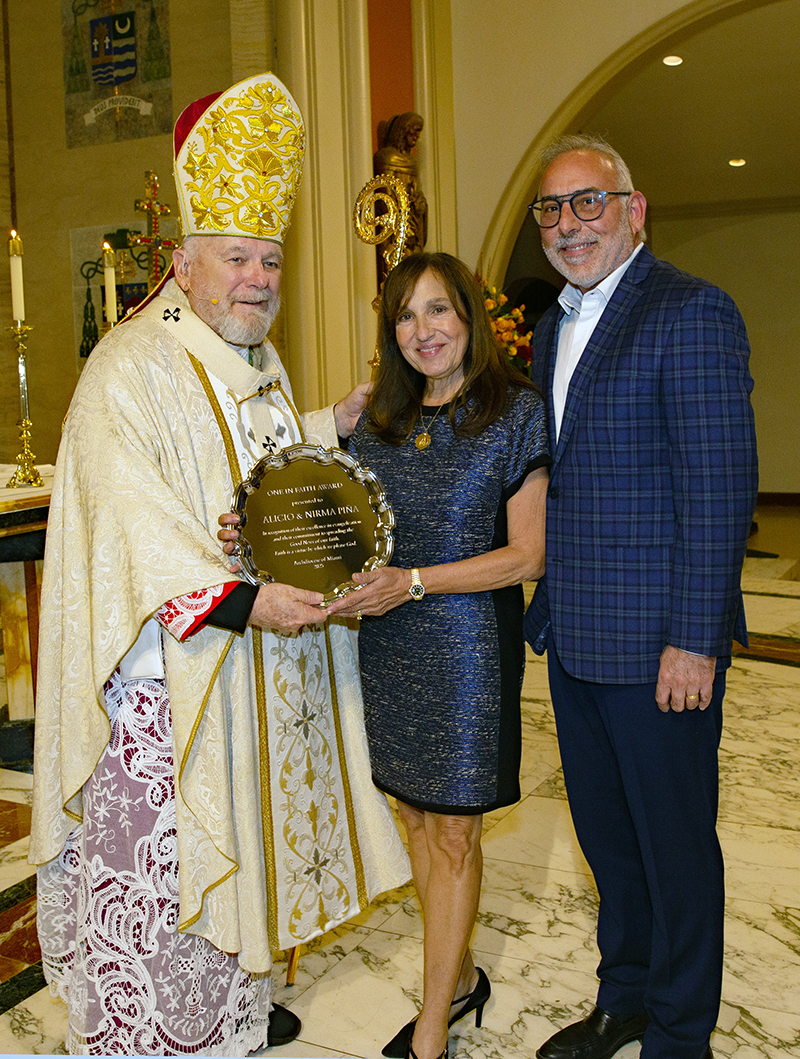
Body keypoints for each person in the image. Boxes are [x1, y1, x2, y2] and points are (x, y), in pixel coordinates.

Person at [29, 73, 409, 1056]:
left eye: (270, 261)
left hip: (239, 682)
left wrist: (332, 420)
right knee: (164, 908)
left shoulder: (256, 358)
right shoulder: (128, 368)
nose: (256, 280)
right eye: (237, 258)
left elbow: (258, 468)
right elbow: (134, 522)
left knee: (229, 908)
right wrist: (245, 601)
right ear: (185, 263)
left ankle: (226, 1029)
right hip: (163, 701)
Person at [523, 134, 757, 1059]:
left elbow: (718, 487)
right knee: (608, 846)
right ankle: (623, 998)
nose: (569, 223)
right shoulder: (549, 329)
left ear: (634, 208)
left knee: (676, 853)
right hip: (577, 639)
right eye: (552, 208)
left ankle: (680, 1032)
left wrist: (695, 639)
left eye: (589, 202)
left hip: (662, 647)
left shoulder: (692, 311)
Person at [328, 252, 550, 1059]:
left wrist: (412, 582)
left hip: (466, 652)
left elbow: (528, 556)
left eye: (439, 310)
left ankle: (432, 1028)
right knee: (418, 817)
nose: (424, 330)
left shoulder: (514, 411)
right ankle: (455, 980)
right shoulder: (379, 422)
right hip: (390, 644)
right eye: (406, 316)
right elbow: (343, 530)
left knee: (455, 832)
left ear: (470, 319)